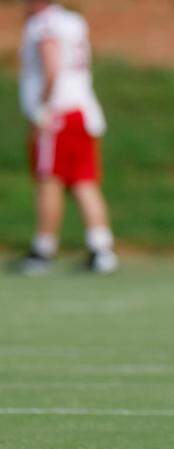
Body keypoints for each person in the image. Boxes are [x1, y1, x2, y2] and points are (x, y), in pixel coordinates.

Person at [16, 0, 117, 275]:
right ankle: (101, 248)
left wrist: (41, 109)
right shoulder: (73, 20)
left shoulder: (43, 24)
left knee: (50, 180)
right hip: (83, 112)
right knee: (84, 181)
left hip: (57, 116)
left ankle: (43, 250)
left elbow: (51, 67)